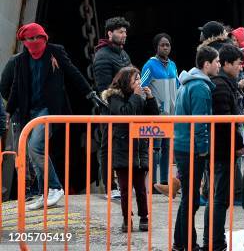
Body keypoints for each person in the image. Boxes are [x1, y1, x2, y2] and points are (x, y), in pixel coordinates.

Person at [6, 23, 94, 210]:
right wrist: (8, 109)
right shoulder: (21, 60)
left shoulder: (55, 52)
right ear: (25, 41)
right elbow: (16, 86)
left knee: (36, 146)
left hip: (49, 109)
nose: (36, 42)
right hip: (30, 110)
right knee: (32, 151)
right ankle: (43, 192)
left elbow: (73, 72)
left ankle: (55, 187)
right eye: (31, 39)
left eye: (40, 38)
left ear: (44, 38)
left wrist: (89, 93)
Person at [173, 45, 220, 251]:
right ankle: (186, 244)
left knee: (188, 199)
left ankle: (181, 243)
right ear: (206, 64)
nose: (219, 65)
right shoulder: (200, 87)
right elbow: (201, 122)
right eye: (216, 61)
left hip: (183, 145)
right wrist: (203, 149)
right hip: (192, 148)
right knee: (190, 200)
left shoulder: (187, 83)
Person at [102, 66, 159, 232]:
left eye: (140, 79)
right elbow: (125, 114)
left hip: (139, 150)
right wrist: (135, 95)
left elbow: (153, 116)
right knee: (125, 189)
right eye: (136, 79)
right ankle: (127, 220)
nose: (139, 83)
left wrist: (149, 98)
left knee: (141, 188)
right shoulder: (115, 97)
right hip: (122, 150)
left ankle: (144, 217)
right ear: (127, 81)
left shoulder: (139, 98)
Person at [204, 44, 244, 251]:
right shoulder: (220, 86)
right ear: (227, 64)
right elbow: (224, 123)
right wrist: (238, 145)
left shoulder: (227, 84)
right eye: (238, 64)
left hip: (222, 150)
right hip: (221, 151)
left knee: (219, 198)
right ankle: (214, 242)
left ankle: (212, 240)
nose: (240, 68)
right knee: (219, 199)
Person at [94, 16, 131, 200]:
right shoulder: (102, 56)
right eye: (120, 32)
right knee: (108, 147)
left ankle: (122, 184)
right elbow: (103, 90)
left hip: (125, 109)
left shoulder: (123, 54)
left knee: (123, 146)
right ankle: (110, 186)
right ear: (110, 33)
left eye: (125, 32)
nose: (124, 35)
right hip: (110, 110)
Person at [141, 33, 179, 191]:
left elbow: (177, 85)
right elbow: (142, 86)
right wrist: (152, 107)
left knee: (167, 149)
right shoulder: (149, 65)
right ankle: (152, 183)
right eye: (162, 45)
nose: (165, 47)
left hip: (170, 116)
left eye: (168, 45)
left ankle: (164, 182)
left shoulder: (172, 65)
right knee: (154, 149)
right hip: (156, 116)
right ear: (156, 47)